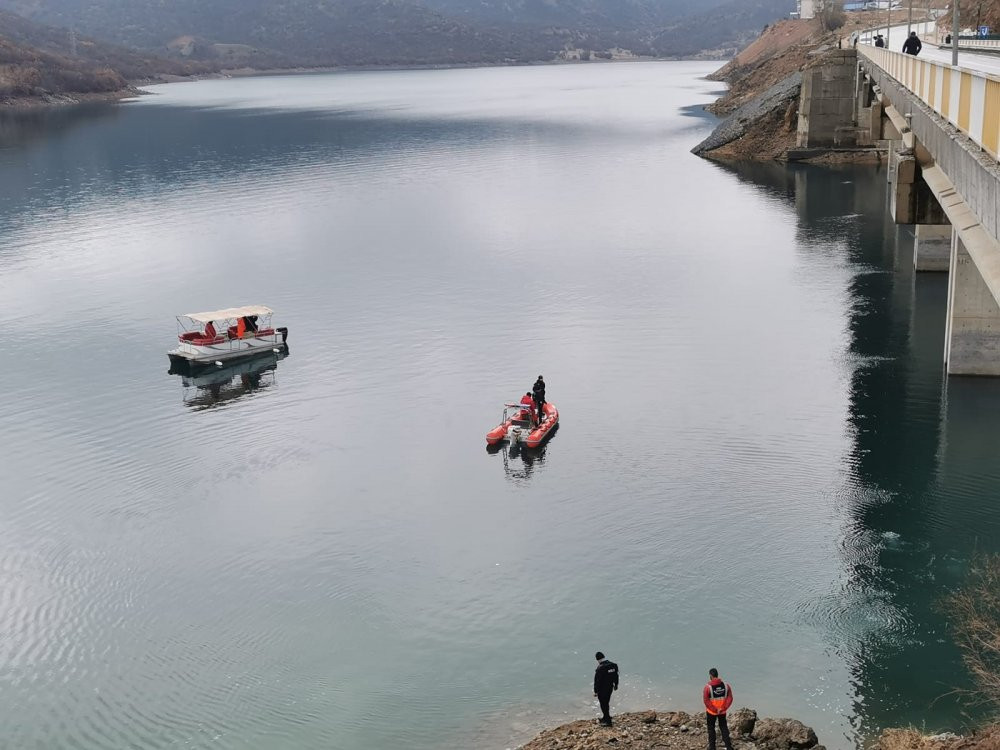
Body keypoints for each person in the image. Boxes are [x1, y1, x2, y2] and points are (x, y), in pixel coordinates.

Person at [703, 668, 734, 750]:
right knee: (724, 727)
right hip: (722, 712)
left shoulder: (707, 687)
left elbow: (706, 701)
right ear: (717, 675)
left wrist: (714, 709)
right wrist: (723, 708)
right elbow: (730, 698)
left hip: (711, 712)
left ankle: (712, 747)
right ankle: (728, 746)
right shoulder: (726, 686)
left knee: (711, 729)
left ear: (710, 675)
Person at [593, 652, 619, 727]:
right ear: (604, 657)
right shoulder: (613, 665)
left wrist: (596, 691)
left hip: (602, 689)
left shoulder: (600, 668)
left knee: (603, 704)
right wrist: (616, 685)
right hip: (610, 688)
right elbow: (616, 676)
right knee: (606, 702)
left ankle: (608, 721)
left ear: (597, 659)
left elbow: (597, 681)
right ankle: (606, 717)